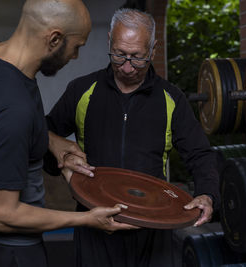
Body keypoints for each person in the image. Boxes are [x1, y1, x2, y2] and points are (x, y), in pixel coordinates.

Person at [45, 8, 220, 267]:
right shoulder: (82, 90)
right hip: (94, 223)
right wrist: (61, 159)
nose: (127, 67)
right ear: (109, 43)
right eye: (119, 55)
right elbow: (43, 136)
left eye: (137, 57)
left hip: (153, 229)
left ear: (153, 49)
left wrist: (207, 193)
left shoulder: (171, 99)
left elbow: (200, 155)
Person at [0, 1, 137, 267]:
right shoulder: (13, 109)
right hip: (6, 253)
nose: (74, 57)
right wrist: (87, 220)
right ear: (54, 39)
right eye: (76, 47)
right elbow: (0, 215)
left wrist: (50, 140)